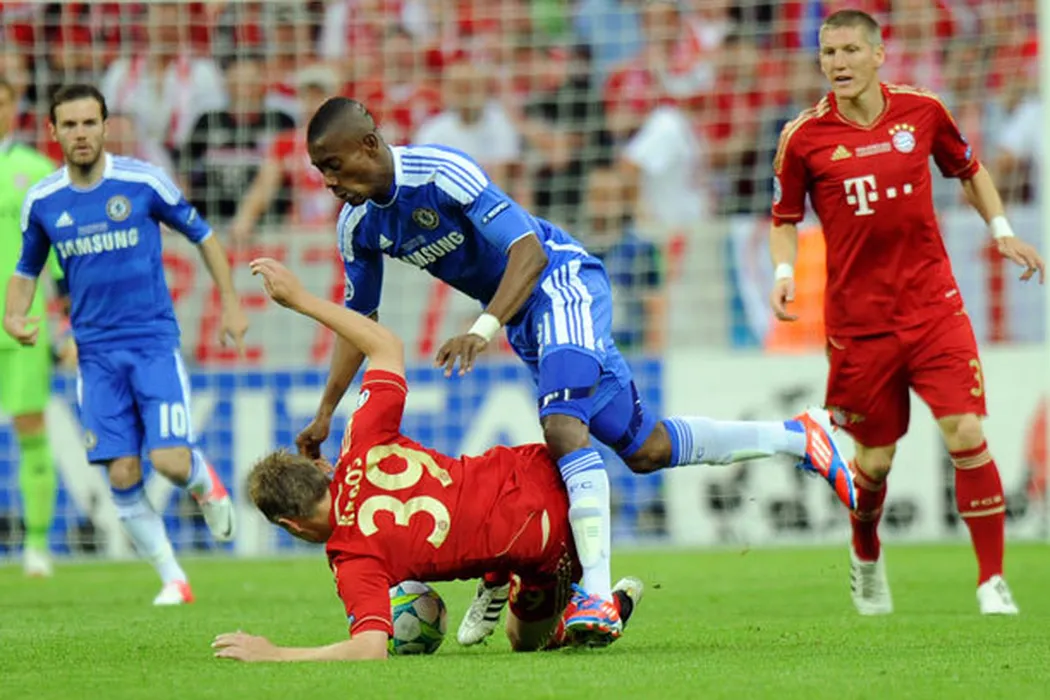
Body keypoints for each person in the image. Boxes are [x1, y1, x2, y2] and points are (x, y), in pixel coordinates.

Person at [295, 97, 858, 647]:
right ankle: (798, 436)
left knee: (563, 427)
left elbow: (529, 252)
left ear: (369, 143)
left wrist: (482, 330)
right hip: (524, 319)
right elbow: (359, 323)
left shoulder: (440, 171)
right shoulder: (357, 225)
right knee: (646, 449)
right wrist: (325, 413)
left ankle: (595, 594)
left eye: (334, 164)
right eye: (321, 170)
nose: (328, 181)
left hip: (560, 284)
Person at [212, 257, 644, 662]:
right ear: (321, 469)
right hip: (540, 464)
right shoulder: (360, 441)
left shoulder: (352, 557)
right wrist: (301, 300)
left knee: (525, 642)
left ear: (292, 525)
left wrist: (276, 654)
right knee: (480, 509)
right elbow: (386, 345)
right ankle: (499, 570)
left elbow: (369, 648)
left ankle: (571, 592)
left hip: (545, 539)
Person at [768, 9, 1045, 616]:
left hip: (932, 307)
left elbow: (969, 169)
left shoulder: (923, 111)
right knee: (874, 462)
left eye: (849, 50)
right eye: (828, 52)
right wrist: (784, 274)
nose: (838, 63)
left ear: (878, 54)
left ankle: (992, 581)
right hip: (859, 326)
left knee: (966, 431)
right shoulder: (804, 137)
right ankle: (865, 549)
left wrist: (1001, 231)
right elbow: (784, 219)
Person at [4, 84, 250, 605]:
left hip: (152, 343)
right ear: (53, 131)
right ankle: (173, 578)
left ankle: (205, 485)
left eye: (89, 123)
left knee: (171, 462)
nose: (81, 134)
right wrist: (14, 315)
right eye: (69, 125)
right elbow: (26, 269)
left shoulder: (142, 181)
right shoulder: (43, 201)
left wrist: (231, 303)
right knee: (121, 472)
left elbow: (203, 236)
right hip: (94, 355)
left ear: (104, 125)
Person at [0, 76, 68, 577]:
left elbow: (62, 255)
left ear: (14, 108)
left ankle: (37, 546)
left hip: (23, 321)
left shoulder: (37, 171)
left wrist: (70, 323)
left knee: (30, 428)